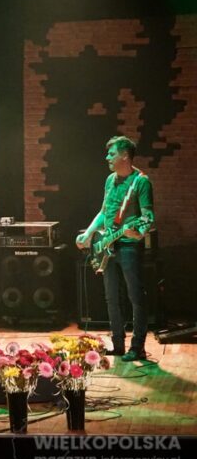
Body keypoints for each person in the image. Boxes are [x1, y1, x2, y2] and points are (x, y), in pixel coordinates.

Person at [76, 135, 155, 361]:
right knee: (111, 297)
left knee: (135, 297)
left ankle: (137, 347)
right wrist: (89, 233)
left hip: (129, 247)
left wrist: (138, 231)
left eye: (112, 154)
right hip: (107, 246)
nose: (107, 157)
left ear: (125, 156)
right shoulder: (110, 180)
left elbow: (147, 217)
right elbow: (104, 211)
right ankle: (118, 344)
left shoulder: (141, 182)